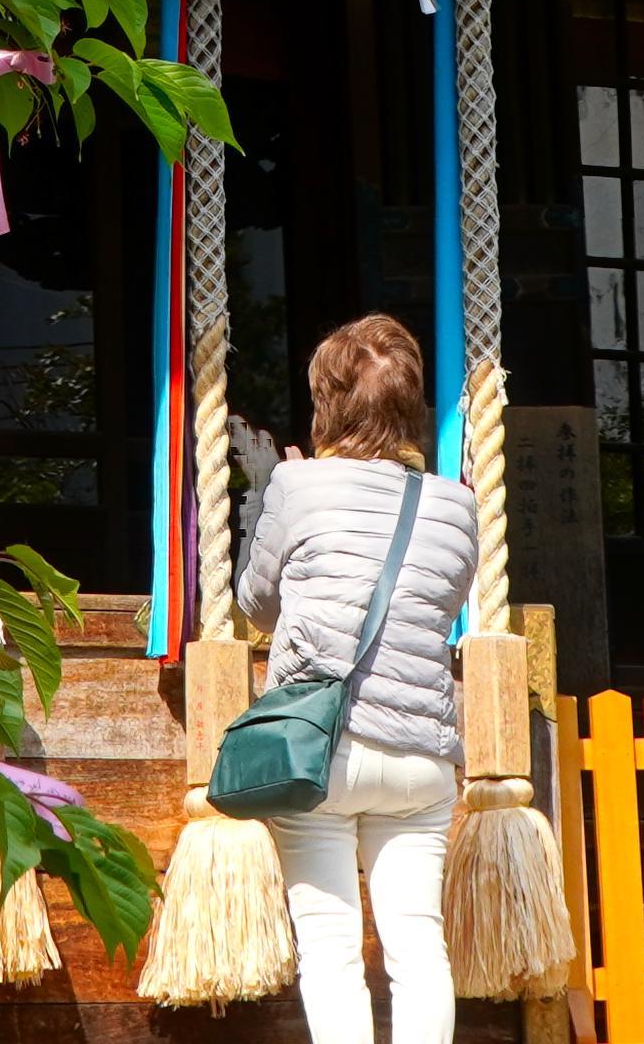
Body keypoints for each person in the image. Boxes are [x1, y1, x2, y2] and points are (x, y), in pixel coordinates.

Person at [233, 314, 479, 1044]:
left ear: (328, 403)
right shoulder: (458, 504)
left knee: (330, 947)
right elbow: (441, 607)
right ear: (410, 405)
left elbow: (257, 605)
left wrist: (266, 499)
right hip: (419, 754)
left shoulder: (295, 484)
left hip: (321, 747)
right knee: (418, 946)